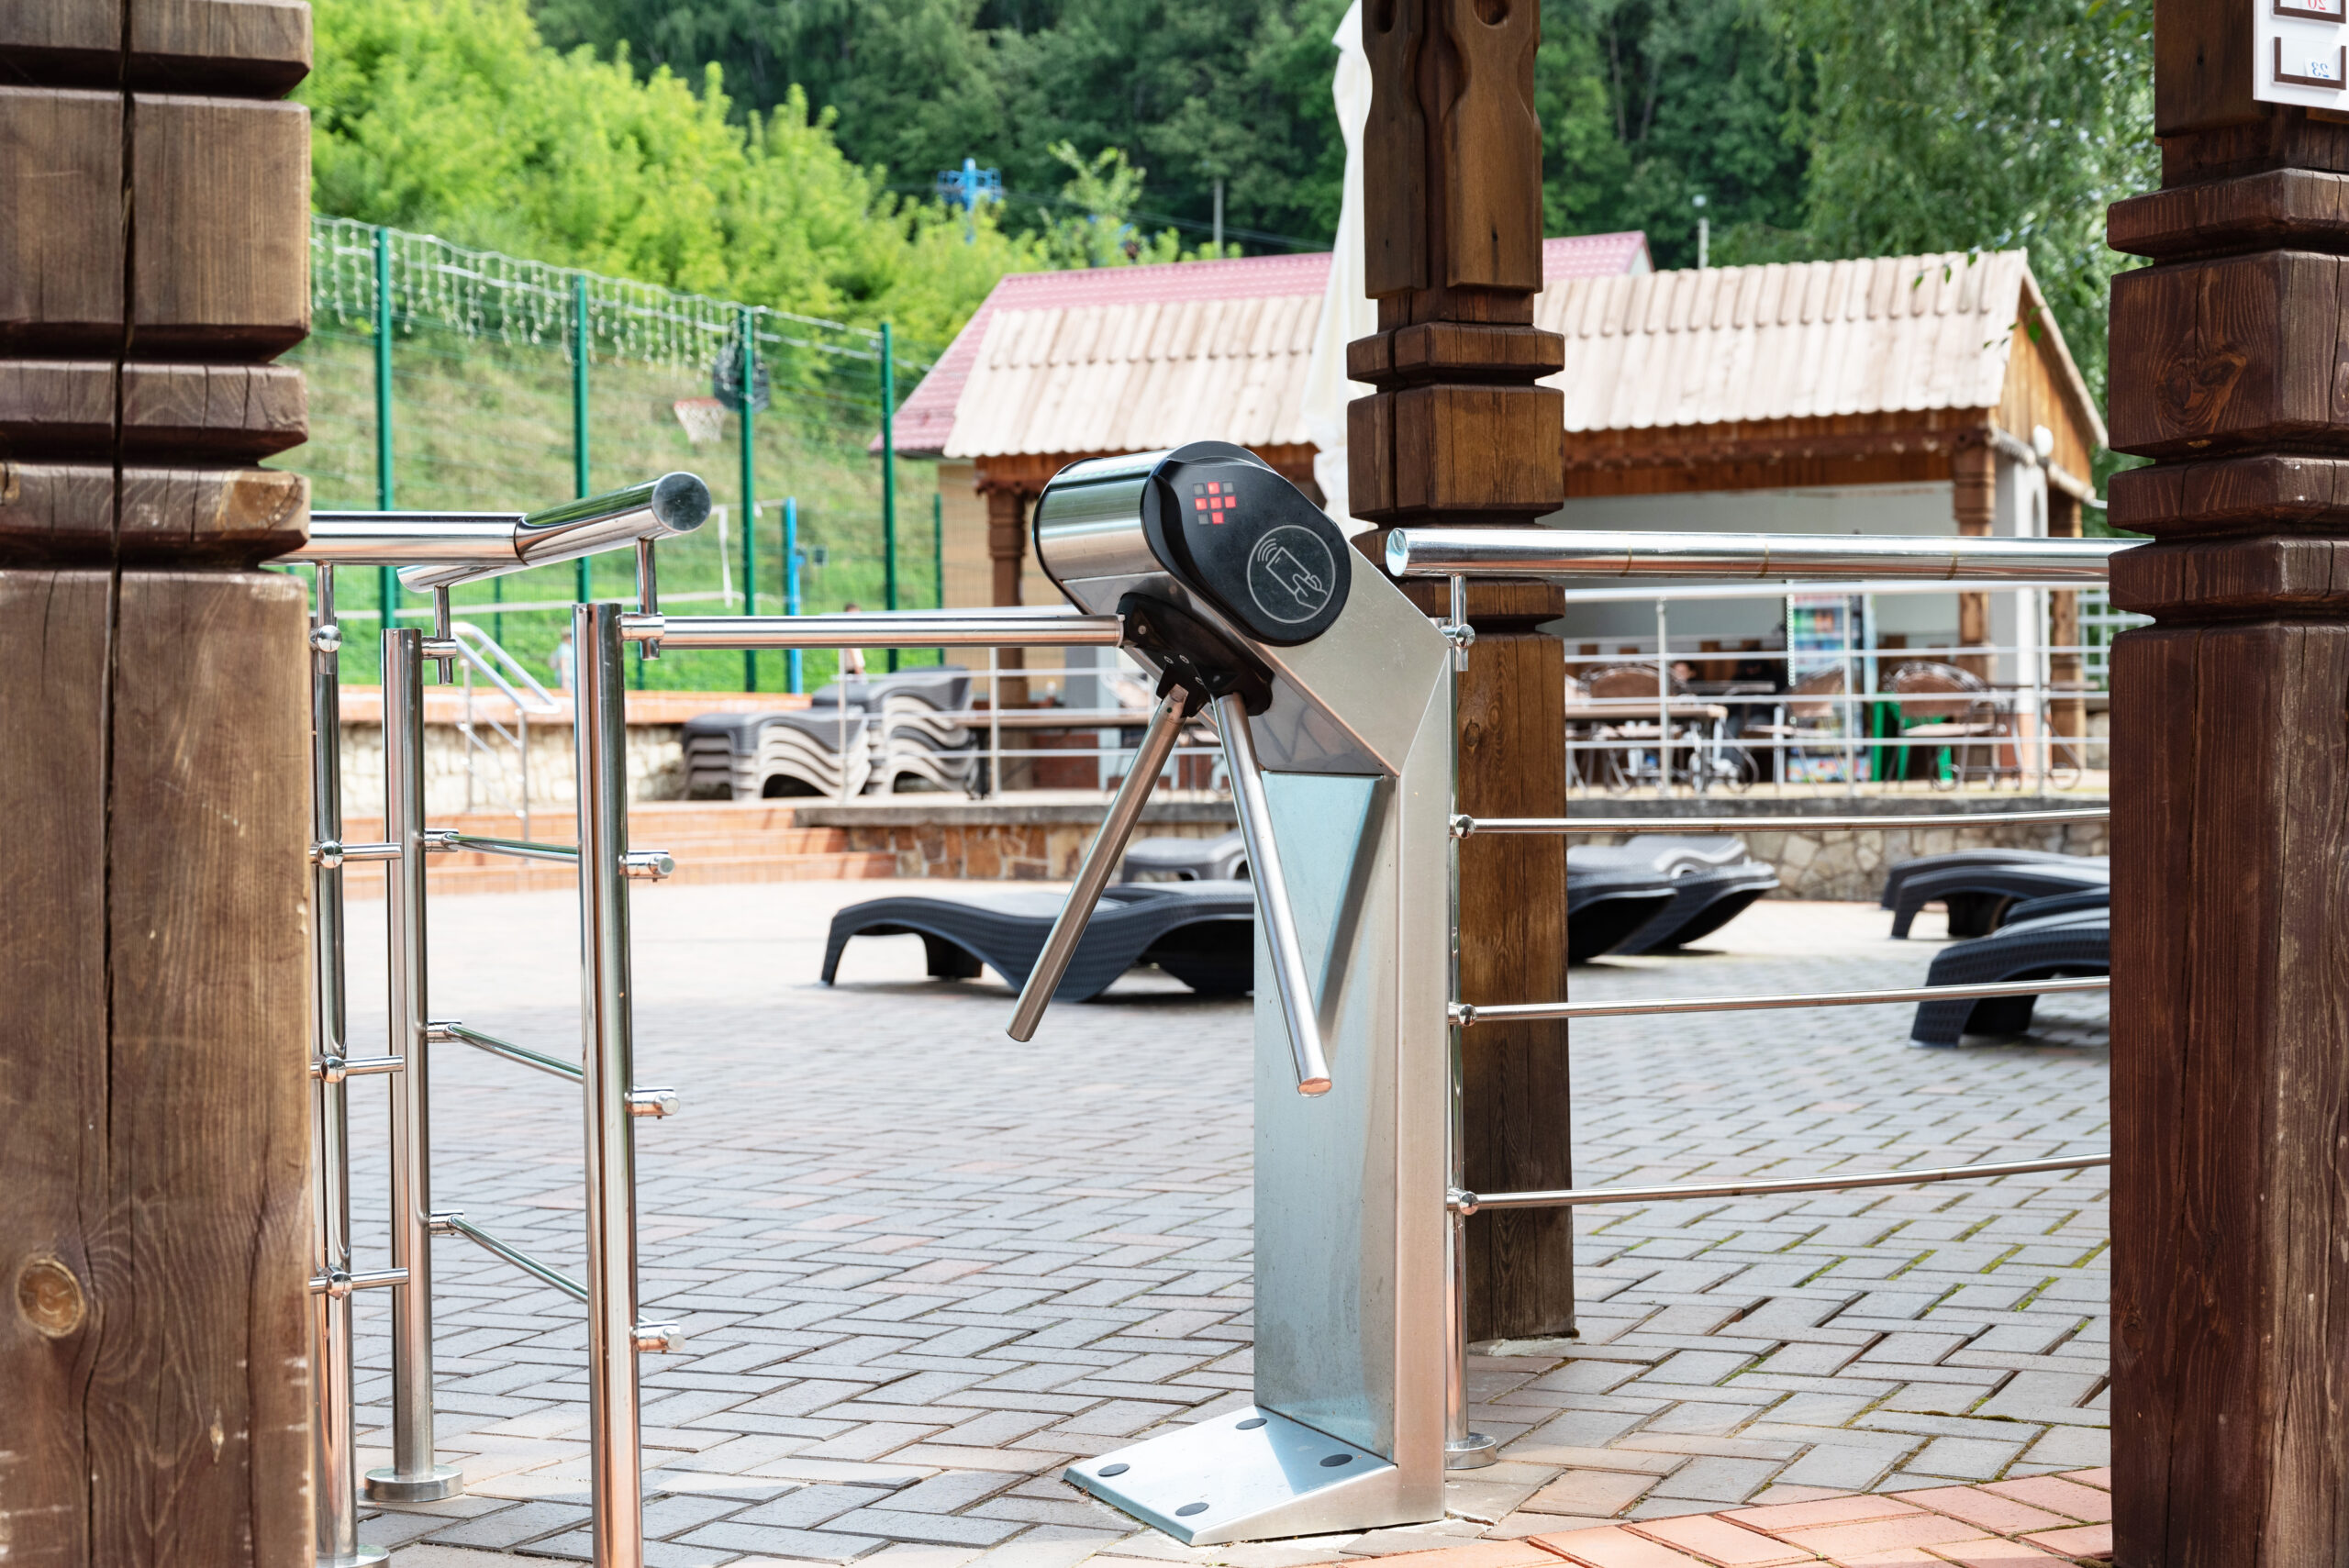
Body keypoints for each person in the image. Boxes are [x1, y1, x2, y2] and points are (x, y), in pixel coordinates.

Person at [838, 603, 867, 681]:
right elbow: (852, 649)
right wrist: (857, 667)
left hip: (854, 669)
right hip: (854, 670)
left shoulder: (853, 630)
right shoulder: (849, 631)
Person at [551, 628, 575, 692]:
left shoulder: (567, 647)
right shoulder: (564, 648)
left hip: (569, 679)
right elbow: (563, 664)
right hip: (568, 680)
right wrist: (565, 681)